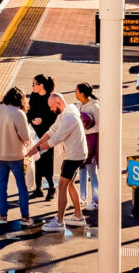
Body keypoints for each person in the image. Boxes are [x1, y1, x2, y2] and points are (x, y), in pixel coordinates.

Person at [27, 92, 87, 232]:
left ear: (59, 103)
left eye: (52, 106)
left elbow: (56, 139)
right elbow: (51, 131)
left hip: (73, 156)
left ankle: (59, 221)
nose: (51, 109)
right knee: (69, 184)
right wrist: (35, 146)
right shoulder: (65, 114)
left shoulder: (69, 118)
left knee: (62, 186)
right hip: (75, 154)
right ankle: (78, 217)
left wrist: (38, 150)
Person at [0, 86, 35, 227]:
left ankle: (2, 216)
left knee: (2, 186)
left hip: (0, 154)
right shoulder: (19, 113)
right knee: (22, 187)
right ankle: (25, 218)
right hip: (17, 156)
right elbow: (26, 137)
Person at [27, 74, 58, 200]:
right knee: (36, 159)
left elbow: (55, 117)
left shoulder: (51, 98)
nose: (33, 86)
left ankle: (51, 188)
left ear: (42, 86)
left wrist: (42, 120)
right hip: (35, 133)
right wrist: (32, 119)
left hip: (48, 133)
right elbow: (29, 111)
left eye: (35, 84)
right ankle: (38, 188)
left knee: (47, 161)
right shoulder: (34, 96)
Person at [75, 83, 99, 210]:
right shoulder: (78, 105)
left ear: (82, 93)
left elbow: (99, 126)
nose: (75, 93)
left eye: (77, 91)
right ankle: (82, 197)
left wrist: (85, 130)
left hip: (92, 142)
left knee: (91, 170)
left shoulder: (95, 107)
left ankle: (96, 199)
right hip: (81, 141)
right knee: (82, 170)